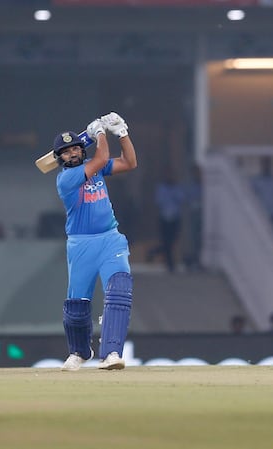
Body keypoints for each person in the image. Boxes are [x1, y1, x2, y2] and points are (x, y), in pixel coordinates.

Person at [51, 112, 138, 371]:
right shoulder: (66, 179)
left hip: (110, 239)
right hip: (80, 244)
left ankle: (112, 352)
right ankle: (79, 351)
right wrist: (99, 131)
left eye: (76, 148)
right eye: (66, 152)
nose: (73, 153)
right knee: (77, 304)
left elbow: (129, 163)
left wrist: (122, 133)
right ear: (60, 158)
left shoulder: (95, 168)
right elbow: (100, 157)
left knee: (119, 288)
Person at [147, 167, 185, 273]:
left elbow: (181, 198)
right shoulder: (161, 188)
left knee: (172, 241)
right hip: (164, 217)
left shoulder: (177, 187)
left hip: (175, 217)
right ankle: (170, 264)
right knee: (166, 241)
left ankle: (153, 252)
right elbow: (159, 201)